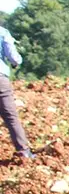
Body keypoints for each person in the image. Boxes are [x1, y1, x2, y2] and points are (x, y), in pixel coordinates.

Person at [0, 24, 33, 159]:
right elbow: (14, 58)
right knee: (10, 116)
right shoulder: (2, 32)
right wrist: (17, 62)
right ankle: (24, 151)